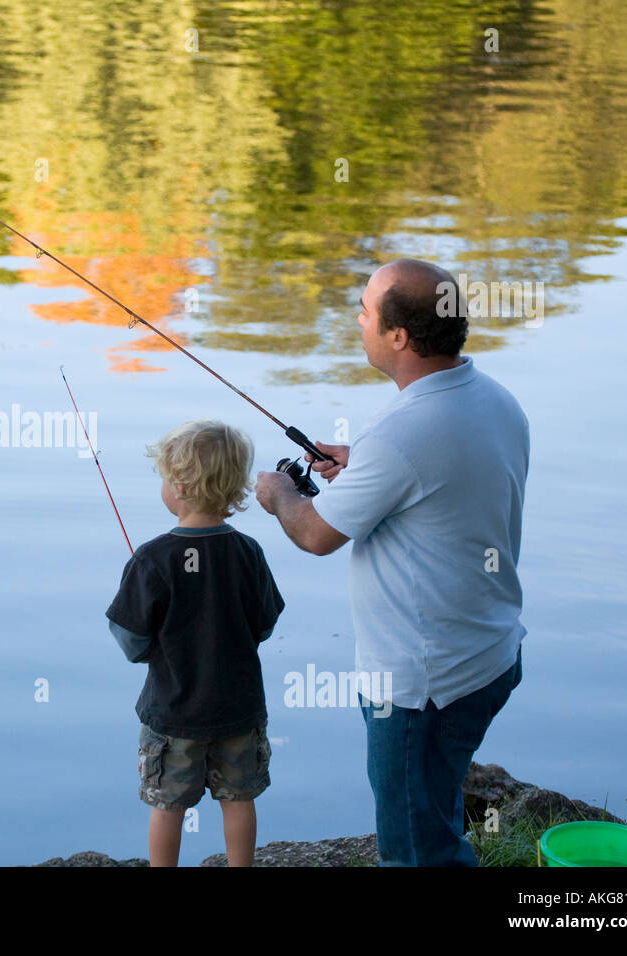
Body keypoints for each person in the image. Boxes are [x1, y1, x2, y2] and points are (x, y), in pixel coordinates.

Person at [252, 258, 529, 866]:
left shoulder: (402, 433)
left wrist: (278, 494)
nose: (357, 318)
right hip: (489, 655)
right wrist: (362, 464)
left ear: (398, 336)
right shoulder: (493, 399)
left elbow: (317, 535)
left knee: (412, 850)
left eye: (366, 309)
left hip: (421, 688)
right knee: (435, 812)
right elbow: (439, 478)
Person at [106, 420, 285, 867]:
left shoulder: (152, 558)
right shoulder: (249, 553)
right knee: (239, 798)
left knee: (168, 805)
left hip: (174, 713)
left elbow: (130, 641)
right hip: (238, 710)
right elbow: (265, 623)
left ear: (181, 486)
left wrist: (154, 650)